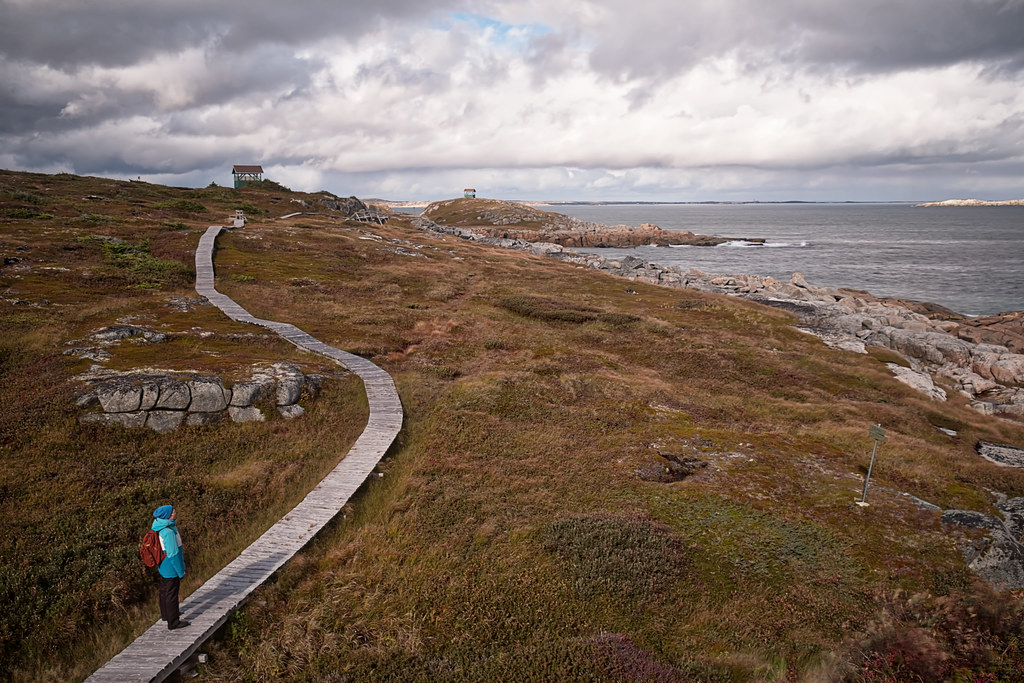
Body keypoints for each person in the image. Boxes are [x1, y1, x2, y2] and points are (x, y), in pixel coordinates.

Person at [152, 504, 189, 630]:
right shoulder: (168, 532)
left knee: (164, 591)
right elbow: (173, 554)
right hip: (170, 567)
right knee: (171, 594)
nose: (175, 512)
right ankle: (173, 622)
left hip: (163, 565)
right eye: (172, 511)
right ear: (168, 515)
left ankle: (166, 615)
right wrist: (180, 571)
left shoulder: (159, 526)